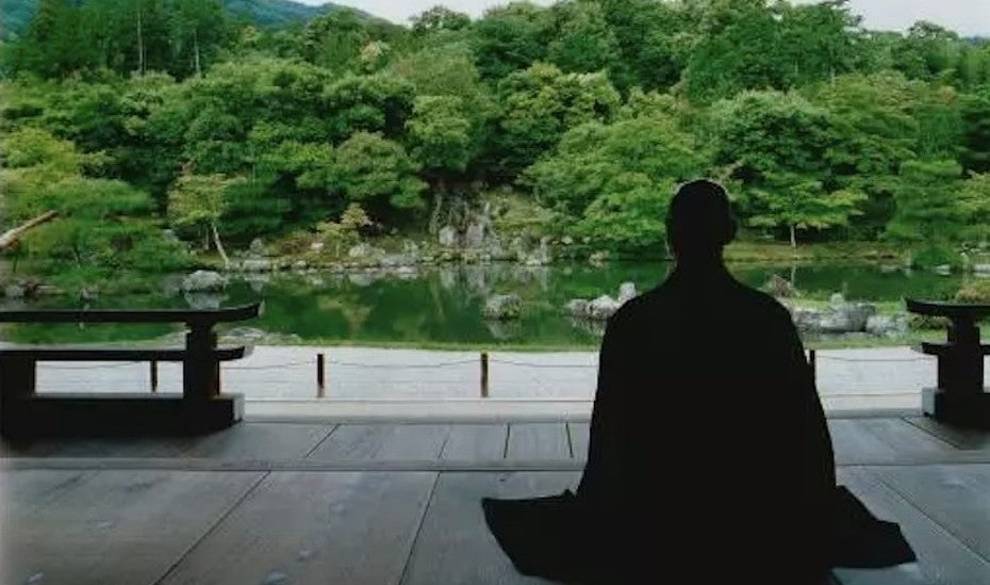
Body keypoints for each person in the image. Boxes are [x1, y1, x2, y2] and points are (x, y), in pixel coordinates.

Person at [482, 179, 914, 584]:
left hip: (653, 516)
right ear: (730, 231)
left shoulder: (633, 322)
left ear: (670, 233)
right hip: (754, 518)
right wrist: (811, 514)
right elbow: (807, 435)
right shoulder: (767, 319)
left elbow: (610, 439)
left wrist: (602, 515)